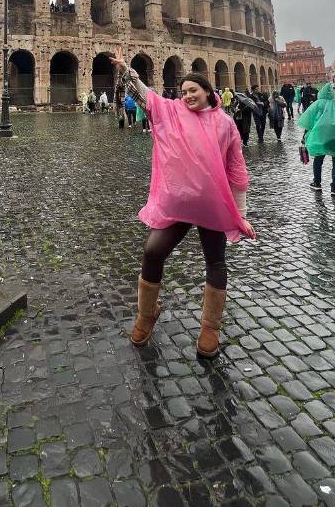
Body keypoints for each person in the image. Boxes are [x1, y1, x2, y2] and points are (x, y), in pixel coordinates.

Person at [109, 48, 255, 358]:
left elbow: (237, 171)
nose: (187, 96)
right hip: (177, 202)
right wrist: (126, 71)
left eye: (194, 91)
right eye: (184, 91)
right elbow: (146, 96)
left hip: (212, 204)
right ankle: (147, 314)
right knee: (152, 252)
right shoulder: (171, 111)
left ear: (208, 92)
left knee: (215, 262)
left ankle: (210, 327)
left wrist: (240, 215)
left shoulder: (225, 124)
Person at [298, 83, 335, 198]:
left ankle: (317, 182)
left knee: (318, 160)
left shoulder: (316, 105)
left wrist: (304, 137)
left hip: (319, 138)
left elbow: (309, 123)